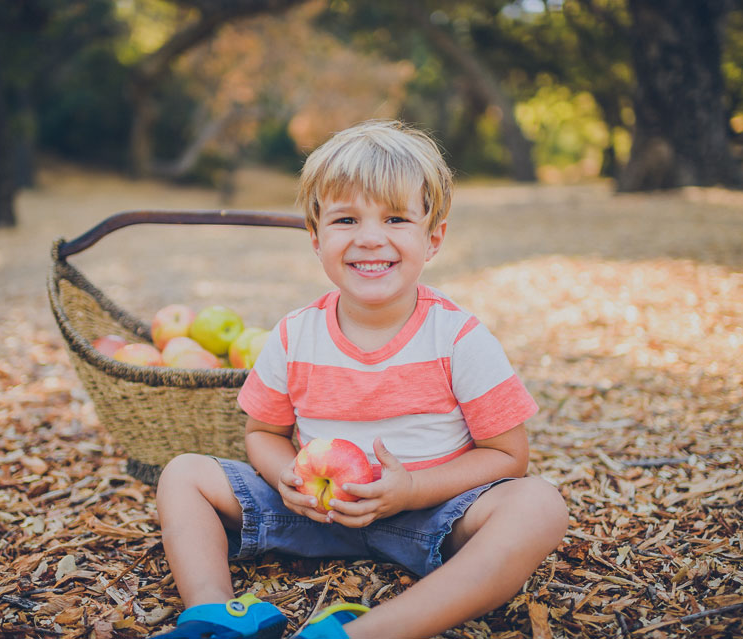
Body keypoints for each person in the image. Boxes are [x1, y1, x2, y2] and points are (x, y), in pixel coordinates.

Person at [155, 120, 569, 639]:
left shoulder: (458, 337)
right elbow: (262, 434)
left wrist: (413, 489)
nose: (370, 238)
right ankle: (215, 615)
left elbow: (508, 456)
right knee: (184, 474)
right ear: (316, 236)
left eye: (396, 218)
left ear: (432, 237)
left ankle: (366, 633)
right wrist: (287, 479)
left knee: (539, 505)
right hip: (310, 512)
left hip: (431, 515)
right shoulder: (294, 335)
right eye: (346, 219)